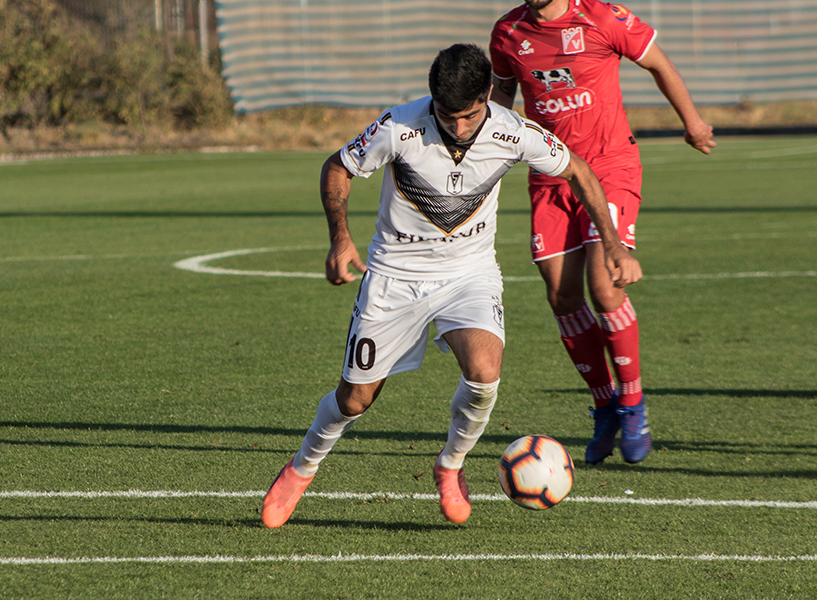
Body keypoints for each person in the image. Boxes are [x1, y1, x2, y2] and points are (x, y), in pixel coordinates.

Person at [261, 43, 641, 528]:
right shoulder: (399, 127)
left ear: (488, 96)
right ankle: (300, 469)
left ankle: (451, 466)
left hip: (469, 273)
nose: (458, 127)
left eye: (469, 115)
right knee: (355, 399)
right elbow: (337, 167)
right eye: (447, 115)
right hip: (394, 277)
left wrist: (611, 243)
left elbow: (578, 171)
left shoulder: (513, 131)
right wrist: (340, 239)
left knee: (484, 372)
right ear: (431, 100)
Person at [488, 0, 716, 466]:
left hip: (611, 165)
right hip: (550, 177)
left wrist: (693, 122)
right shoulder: (506, 35)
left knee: (605, 284)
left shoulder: (602, 18)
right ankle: (605, 405)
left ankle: (634, 403)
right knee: (561, 297)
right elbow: (499, 102)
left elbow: (659, 63)